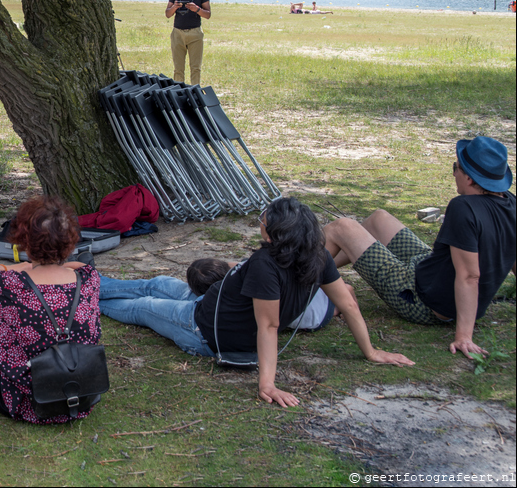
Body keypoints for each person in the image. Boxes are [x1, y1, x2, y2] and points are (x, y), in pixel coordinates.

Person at [98, 197, 414, 407]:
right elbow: (349, 306)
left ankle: (87, 300)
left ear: (273, 235)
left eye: (263, 219)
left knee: (142, 306)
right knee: (157, 284)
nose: (259, 221)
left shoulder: (266, 265)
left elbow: (269, 325)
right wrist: (369, 352)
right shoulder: (315, 254)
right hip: (212, 299)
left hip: (201, 327)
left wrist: (267, 385)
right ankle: (89, 282)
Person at [322, 136, 516, 360]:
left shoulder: (463, 208)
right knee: (378, 219)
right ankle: (321, 275)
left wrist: (464, 335)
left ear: (470, 179)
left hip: (420, 298)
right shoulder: (511, 204)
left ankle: (298, 283)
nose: (453, 173)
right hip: (430, 268)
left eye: (456, 168)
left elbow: (469, 276)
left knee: (341, 227)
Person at [0, 196, 102, 423]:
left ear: (24, 241)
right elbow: (80, 264)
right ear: (70, 240)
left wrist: (13, 268)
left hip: (24, 402)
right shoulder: (88, 278)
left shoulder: (8, 284)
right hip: (80, 392)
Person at [186, 257, 338, 331]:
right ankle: (338, 306)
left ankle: (337, 307)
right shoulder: (253, 268)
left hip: (313, 317)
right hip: (316, 301)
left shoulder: (232, 302)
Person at [165, 0, 211, 84]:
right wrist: (174, 7)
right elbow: (167, 14)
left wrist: (197, 9)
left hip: (195, 33)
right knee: (178, 68)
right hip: (178, 33)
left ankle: (195, 93)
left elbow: (208, 15)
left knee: (195, 67)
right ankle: (178, 93)